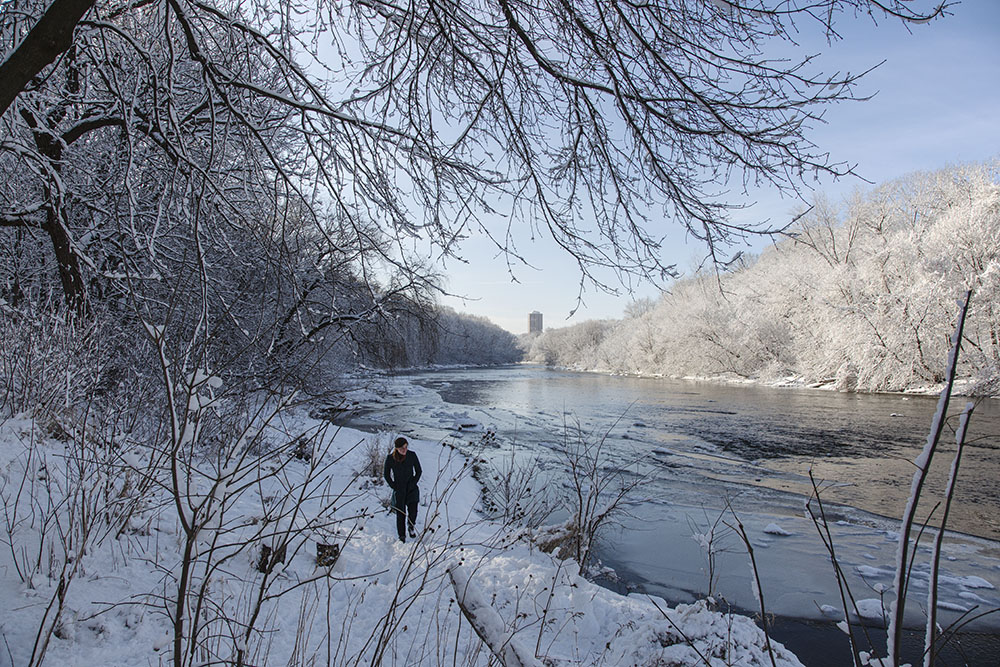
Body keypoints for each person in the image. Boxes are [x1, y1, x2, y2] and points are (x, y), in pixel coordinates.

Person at [383, 436, 422, 543]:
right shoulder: (390, 458)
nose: (404, 450)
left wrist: (413, 483)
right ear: (396, 449)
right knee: (401, 514)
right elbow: (386, 474)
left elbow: (419, 471)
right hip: (399, 489)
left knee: (413, 511)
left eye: (405, 447)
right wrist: (393, 486)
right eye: (402, 448)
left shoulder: (412, 455)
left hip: (411, 488)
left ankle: (411, 526)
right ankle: (402, 536)